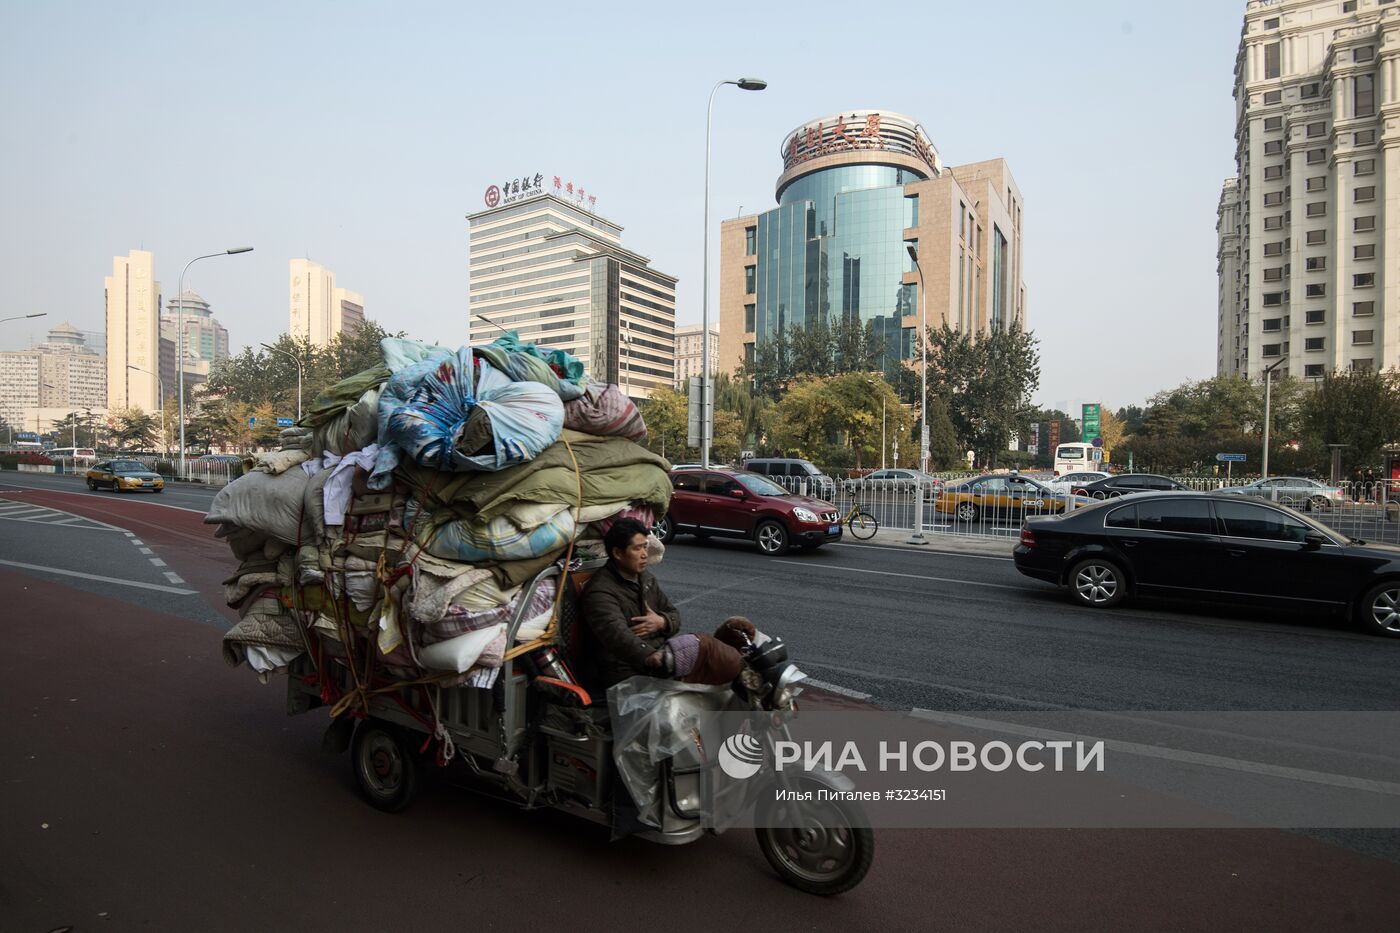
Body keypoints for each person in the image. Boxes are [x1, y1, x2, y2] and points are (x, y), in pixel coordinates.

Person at [581, 518, 681, 686]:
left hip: (659, 658)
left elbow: (674, 615)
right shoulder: (600, 590)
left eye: (645, 547)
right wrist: (652, 656)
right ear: (618, 553)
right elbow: (617, 635)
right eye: (637, 548)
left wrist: (662, 622)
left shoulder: (646, 579)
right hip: (625, 671)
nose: (644, 554)